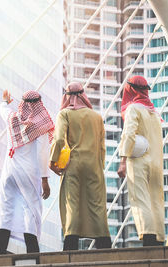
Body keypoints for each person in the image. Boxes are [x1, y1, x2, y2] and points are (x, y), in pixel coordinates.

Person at [49, 82, 111, 251]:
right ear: (83, 95)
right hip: (94, 165)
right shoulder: (96, 117)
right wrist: (100, 166)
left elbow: (60, 139)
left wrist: (53, 161)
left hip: (73, 165)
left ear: (67, 96)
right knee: (97, 204)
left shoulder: (65, 114)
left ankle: (71, 245)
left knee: (72, 203)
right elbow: (102, 146)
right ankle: (104, 245)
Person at [0, 90, 53, 254]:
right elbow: (42, 154)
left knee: (6, 209)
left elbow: (3, 110)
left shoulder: (12, 118)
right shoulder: (40, 125)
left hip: (9, 172)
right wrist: (45, 180)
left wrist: (5, 101)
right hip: (28, 174)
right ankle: (32, 252)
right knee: (31, 211)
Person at [117, 75, 165, 246]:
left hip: (139, 162)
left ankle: (148, 238)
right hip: (157, 164)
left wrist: (123, 161)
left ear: (130, 89)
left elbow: (128, 134)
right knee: (156, 201)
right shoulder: (155, 114)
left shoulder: (133, 108)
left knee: (140, 199)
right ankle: (159, 239)